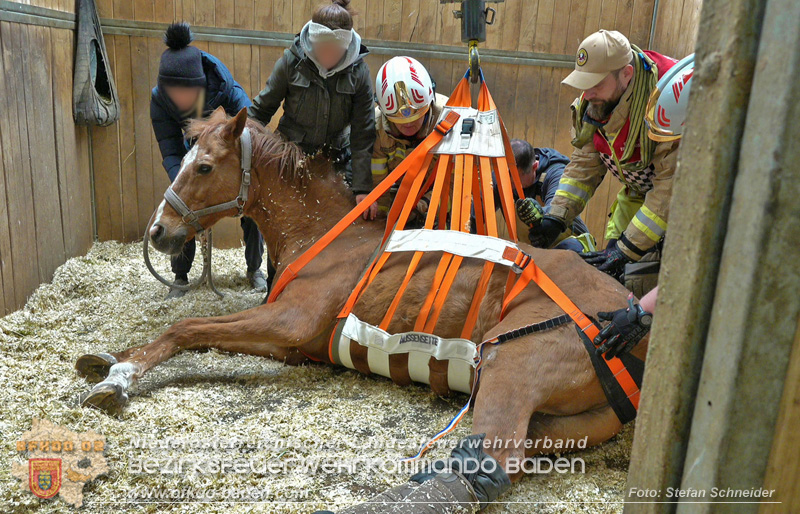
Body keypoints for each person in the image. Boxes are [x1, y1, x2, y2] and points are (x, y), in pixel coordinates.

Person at [529, 30, 679, 281]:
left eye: (596, 83)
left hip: (687, 204)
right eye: (584, 84)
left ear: (626, 74)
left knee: (642, 284)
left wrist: (626, 250)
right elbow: (584, 164)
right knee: (609, 275)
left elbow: (670, 189)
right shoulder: (597, 98)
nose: (587, 94)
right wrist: (555, 218)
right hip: (639, 196)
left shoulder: (669, 101)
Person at [150, 22, 267, 299]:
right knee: (183, 206)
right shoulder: (160, 100)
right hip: (191, 159)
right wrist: (185, 182)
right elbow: (169, 146)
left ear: (200, 85)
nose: (181, 100)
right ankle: (180, 276)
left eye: (187, 93)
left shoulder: (226, 88)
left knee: (252, 211)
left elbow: (248, 133)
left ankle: (255, 269)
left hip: (228, 160)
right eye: (174, 94)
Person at [248, 0, 377, 220]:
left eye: (335, 50)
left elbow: (363, 132)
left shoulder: (359, 72)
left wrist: (362, 188)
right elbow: (261, 109)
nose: (328, 55)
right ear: (312, 41)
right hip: (290, 157)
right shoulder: (292, 61)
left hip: (336, 159)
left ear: (345, 46)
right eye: (322, 49)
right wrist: (238, 141)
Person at [372, 56, 449, 220]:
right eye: (398, 121)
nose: (409, 125)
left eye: (416, 117)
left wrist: (421, 206)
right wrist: (381, 217)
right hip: (402, 198)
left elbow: (459, 185)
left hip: (444, 201)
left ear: (428, 105)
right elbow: (378, 182)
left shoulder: (450, 120)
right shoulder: (377, 126)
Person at [507, 139, 594, 252]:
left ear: (535, 167)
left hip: (572, 245)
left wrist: (539, 214)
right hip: (535, 251)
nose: (509, 184)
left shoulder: (556, 174)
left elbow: (556, 208)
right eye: (507, 179)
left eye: (515, 181)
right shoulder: (504, 174)